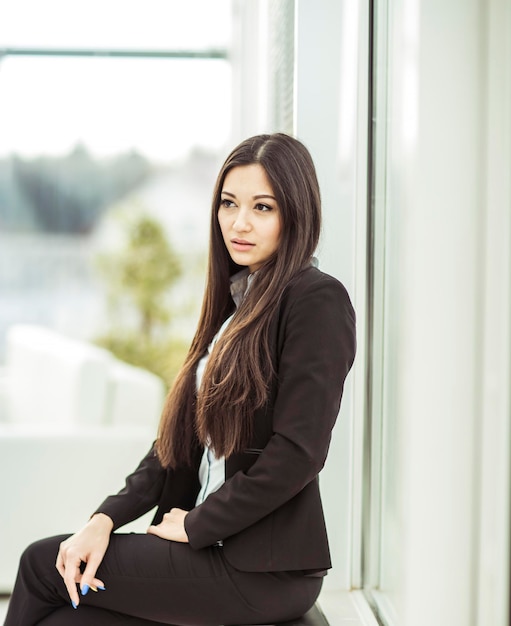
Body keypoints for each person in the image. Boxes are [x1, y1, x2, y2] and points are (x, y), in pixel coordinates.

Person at [4, 133, 356, 626]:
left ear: (296, 213)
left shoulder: (316, 300)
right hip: (211, 547)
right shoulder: (237, 306)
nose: (240, 222)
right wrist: (103, 520)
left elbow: (298, 452)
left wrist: (197, 524)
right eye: (229, 204)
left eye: (263, 207)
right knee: (66, 616)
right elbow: (176, 447)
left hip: (260, 566)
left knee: (39, 564)